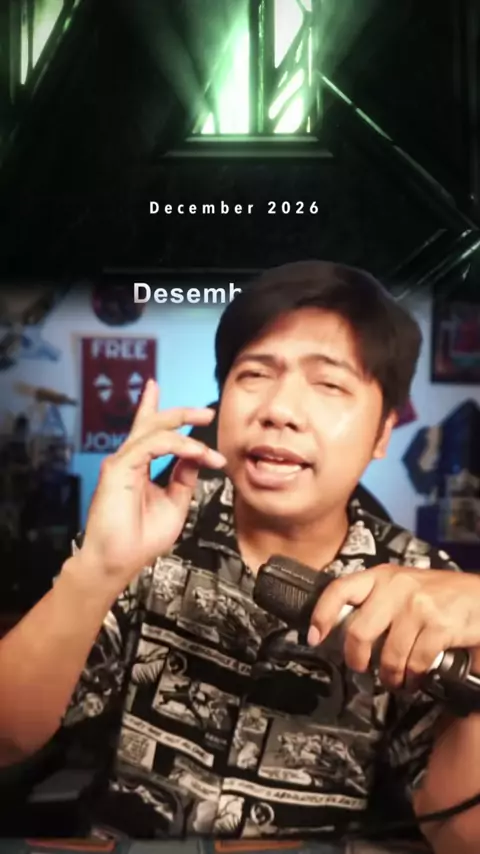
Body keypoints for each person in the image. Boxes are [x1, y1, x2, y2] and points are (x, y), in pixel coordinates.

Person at [1, 261, 480, 851]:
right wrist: (96, 568)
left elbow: (462, 836)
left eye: (328, 385)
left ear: (383, 432)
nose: (279, 410)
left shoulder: (422, 587)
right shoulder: (147, 534)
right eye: (254, 374)